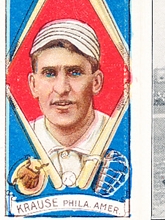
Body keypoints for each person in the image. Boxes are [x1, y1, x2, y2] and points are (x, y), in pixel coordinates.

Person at [27, 19, 108, 188]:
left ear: (96, 82)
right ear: (33, 85)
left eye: (75, 72)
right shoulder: (19, 140)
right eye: (49, 73)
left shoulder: (117, 133)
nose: (61, 88)